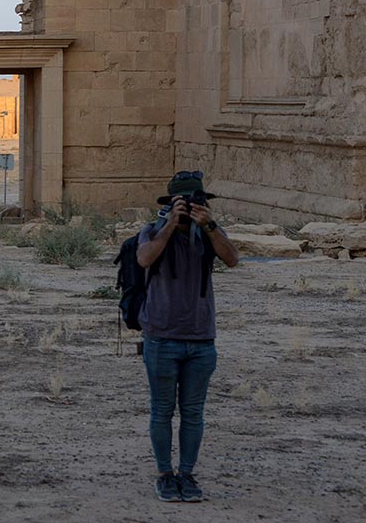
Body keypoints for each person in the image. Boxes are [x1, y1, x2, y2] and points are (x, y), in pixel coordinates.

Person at [136, 170, 239, 503]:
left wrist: (208, 225)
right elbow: (144, 258)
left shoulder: (209, 234)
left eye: (197, 201)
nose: (192, 206)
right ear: (170, 204)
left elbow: (233, 259)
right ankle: (165, 474)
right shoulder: (152, 231)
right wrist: (170, 224)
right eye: (185, 202)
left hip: (200, 339)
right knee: (162, 411)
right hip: (161, 337)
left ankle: (188, 473)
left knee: (193, 412)